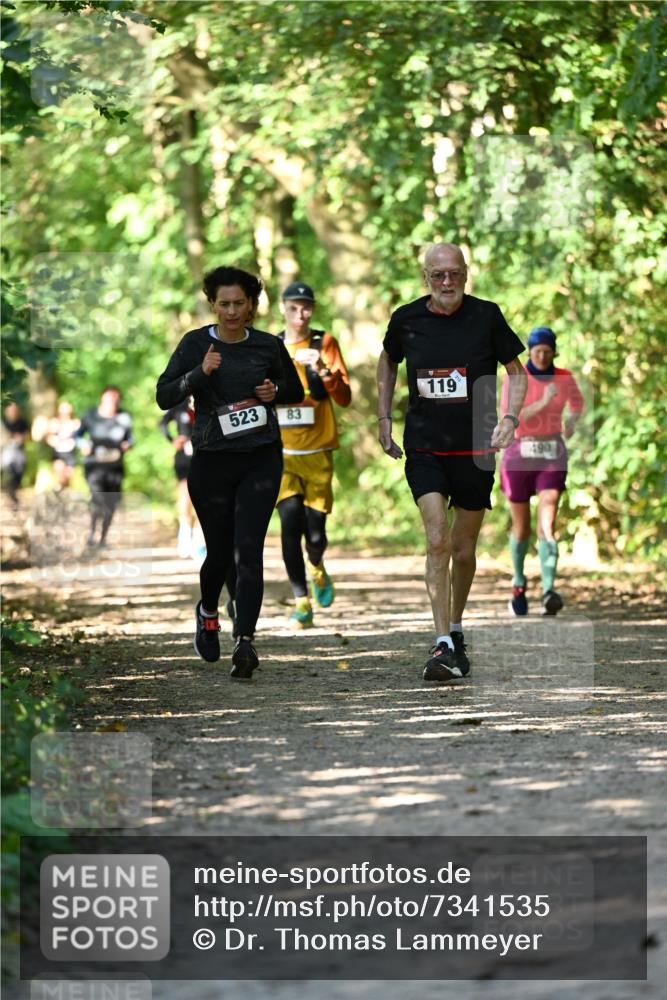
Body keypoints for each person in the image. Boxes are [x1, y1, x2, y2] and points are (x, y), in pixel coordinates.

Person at [377, 242, 527, 683]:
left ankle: (456, 626)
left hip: (476, 450)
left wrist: (510, 419)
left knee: (464, 549)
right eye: (438, 275)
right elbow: (387, 360)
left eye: (454, 274)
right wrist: (384, 417)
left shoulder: (487, 315)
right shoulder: (407, 320)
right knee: (438, 538)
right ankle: (442, 642)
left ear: (465, 273)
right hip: (424, 447)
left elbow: (516, 373)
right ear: (426, 277)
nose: (447, 282)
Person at [156, 265, 303, 679]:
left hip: (261, 456)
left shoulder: (266, 347)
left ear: (253, 304)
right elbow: (163, 394)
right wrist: (198, 374)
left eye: (240, 303)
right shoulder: (195, 344)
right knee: (219, 554)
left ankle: (246, 641)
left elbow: (294, 390)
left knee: (249, 549)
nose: (232, 311)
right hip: (212, 459)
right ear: (213, 304)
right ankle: (207, 613)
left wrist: (276, 392)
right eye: (225, 304)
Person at [275, 281, 352, 628]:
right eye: (293, 307)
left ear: (313, 309)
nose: (300, 313)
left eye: (306, 307)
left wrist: (322, 368)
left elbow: (345, 397)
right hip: (282, 454)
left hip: (318, 450)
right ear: (283, 308)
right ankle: (300, 601)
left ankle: (317, 567)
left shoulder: (326, 342)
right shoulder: (271, 346)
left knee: (316, 534)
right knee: (289, 524)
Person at [500, 326, 584, 616]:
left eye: (549, 351)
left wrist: (571, 421)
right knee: (521, 527)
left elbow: (577, 405)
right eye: (539, 351)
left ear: (554, 351)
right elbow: (514, 419)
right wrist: (545, 401)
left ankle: (549, 590)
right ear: (530, 351)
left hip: (551, 452)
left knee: (548, 521)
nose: (544, 356)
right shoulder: (516, 379)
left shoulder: (565, 378)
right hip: (519, 453)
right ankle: (519, 584)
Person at [76, 387, 133, 548]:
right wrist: (83, 444)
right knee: (97, 499)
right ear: (102, 398)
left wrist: (128, 444)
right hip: (94, 466)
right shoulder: (90, 415)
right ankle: (91, 533)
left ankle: (103, 538)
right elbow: (78, 435)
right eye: (109, 398)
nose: (113, 401)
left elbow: (131, 437)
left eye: (116, 398)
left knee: (111, 503)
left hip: (115, 468)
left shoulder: (124, 417)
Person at [46, 401, 80, 491]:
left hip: (70, 453)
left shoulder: (75, 422)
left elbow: (79, 437)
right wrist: (55, 440)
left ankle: (65, 491)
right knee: (59, 472)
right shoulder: (54, 422)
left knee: (69, 476)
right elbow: (49, 437)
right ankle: (59, 489)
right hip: (58, 453)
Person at [1, 402, 29, 510]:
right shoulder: (3, 423)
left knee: (18, 475)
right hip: (6, 453)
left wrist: (21, 438)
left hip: (19, 453)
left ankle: (13, 495)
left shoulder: (22, 423)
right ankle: (12, 498)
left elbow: (28, 436)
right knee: (10, 474)